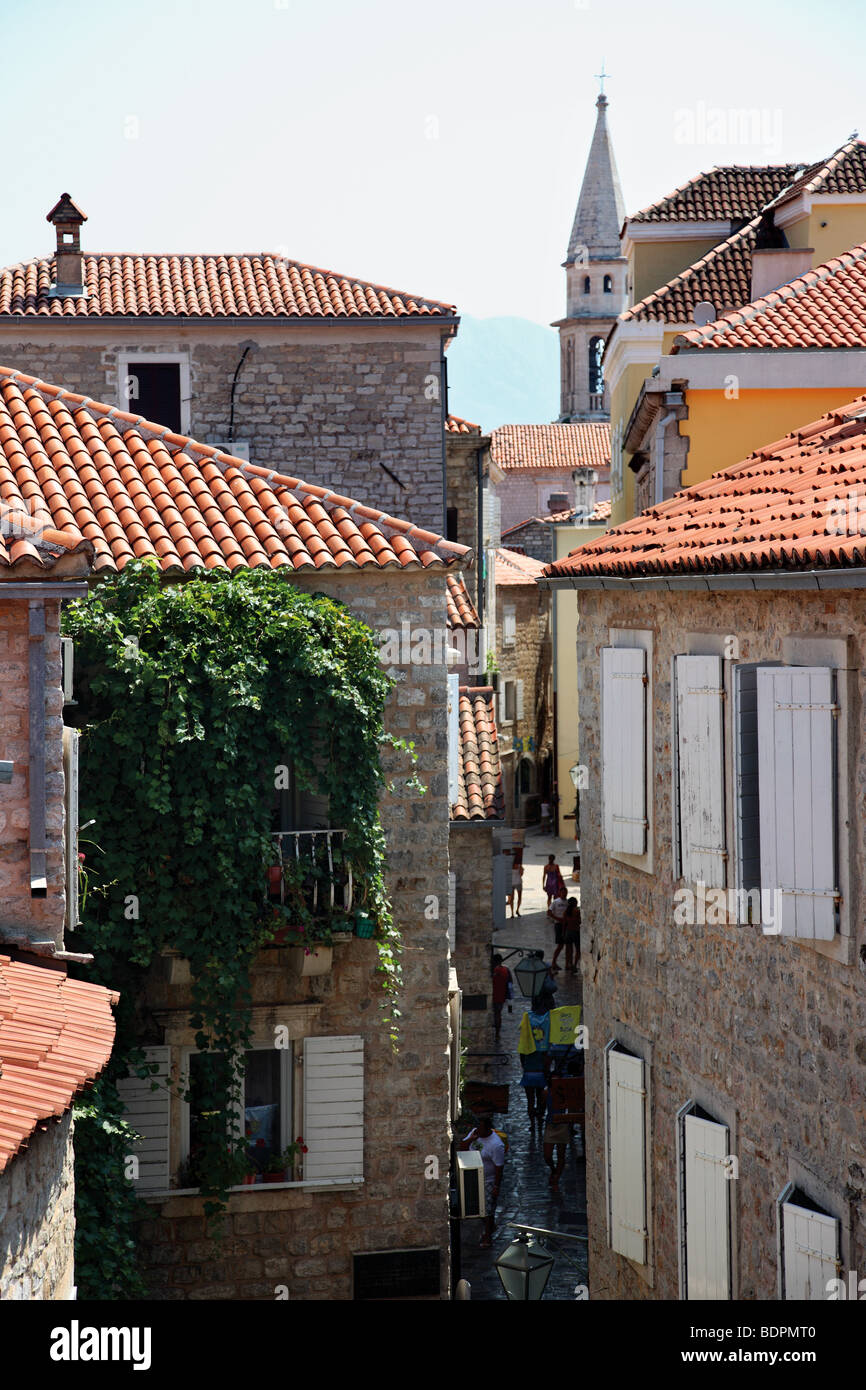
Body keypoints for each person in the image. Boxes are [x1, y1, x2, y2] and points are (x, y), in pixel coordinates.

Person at [460, 1114, 505, 1248]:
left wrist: (496, 1186)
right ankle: (490, 1226)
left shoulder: (496, 1145)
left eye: (480, 1129)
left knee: (487, 1209)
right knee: (476, 1208)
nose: (477, 1131)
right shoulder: (474, 1134)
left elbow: (499, 1167)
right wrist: (471, 1139)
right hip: (473, 1177)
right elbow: (462, 1148)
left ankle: (488, 1236)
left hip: (488, 1180)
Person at [541, 1070, 571, 1191]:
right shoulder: (546, 1092)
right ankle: (554, 1171)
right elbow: (543, 1106)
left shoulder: (565, 1093)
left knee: (561, 1155)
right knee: (547, 1156)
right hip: (550, 1125)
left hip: (562, 1124)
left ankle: (556, 1179)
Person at [551, 897, 580, 973]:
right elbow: (579, 921)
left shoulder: (566, 912)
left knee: (569, 950)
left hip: (568, 932)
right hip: (576, 932)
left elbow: (564, 923)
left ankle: (569, 964)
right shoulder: (577, 911)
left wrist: (563, 933)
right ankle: (574, 965)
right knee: (577, 950)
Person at [491, 954, 513, 1033]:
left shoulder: (493, 971)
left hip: (494, 995)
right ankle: (497, 1030)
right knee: (498, 1013)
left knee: (496, 1013)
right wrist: (510, 1003)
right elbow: (510, 987)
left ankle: (497, 1029)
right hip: (502, 996)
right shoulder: (506, 970)